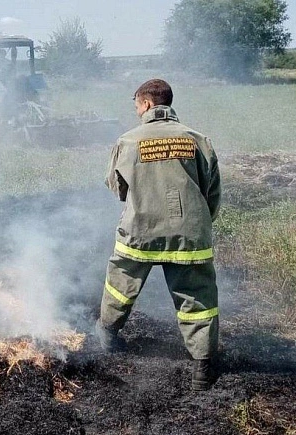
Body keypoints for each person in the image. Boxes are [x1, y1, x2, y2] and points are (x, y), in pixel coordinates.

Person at [94, 79, 222, 391]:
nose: (136, 111)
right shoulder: (197, 139)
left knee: (120, 283)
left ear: (148, 104)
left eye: (136, 105)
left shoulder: (128, 141)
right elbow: (213, 192)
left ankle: (107, 336)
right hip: (189, 236)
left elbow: (118, 189)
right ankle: (203, 370)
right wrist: (196, 224)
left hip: (141, 232)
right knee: (198, 297)